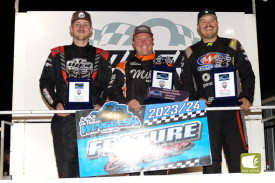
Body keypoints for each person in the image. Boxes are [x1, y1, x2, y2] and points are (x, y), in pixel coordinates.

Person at [180, 8, 255, 173]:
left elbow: (248, 74)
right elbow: (185, 83)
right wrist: (196, 98)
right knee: (211, 168)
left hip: (232, 111)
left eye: (211, 20)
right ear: (198, 27)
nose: (208, 25)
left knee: (240, 165)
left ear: (217, 23)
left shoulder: (233, 45)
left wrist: (247, 96)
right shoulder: (190, 52)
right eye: (203, 22)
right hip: (207, 114)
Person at [39, 10, 112, 178]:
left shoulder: (102, 56)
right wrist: (56, 103)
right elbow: (45, 83)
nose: (81, 28)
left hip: (93, 121)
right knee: (66, 175)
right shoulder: (57, 54)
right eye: (77, 25)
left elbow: (110, 85)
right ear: (70, 29)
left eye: (85, 25)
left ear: (91, 29)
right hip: (65, 122)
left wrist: (100, 104)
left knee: (93, 174)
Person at [107, 25, 181, 175]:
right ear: (133, 43)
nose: (144, 42)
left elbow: (180, 93)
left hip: (161, 125)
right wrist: (126, 101)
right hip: (132, 127)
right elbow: (112, 90)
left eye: (147, 38)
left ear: (153, 41)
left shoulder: (167, 65)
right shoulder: (124, 66)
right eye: (139, 39)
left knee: (159, 172)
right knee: (134, 172)